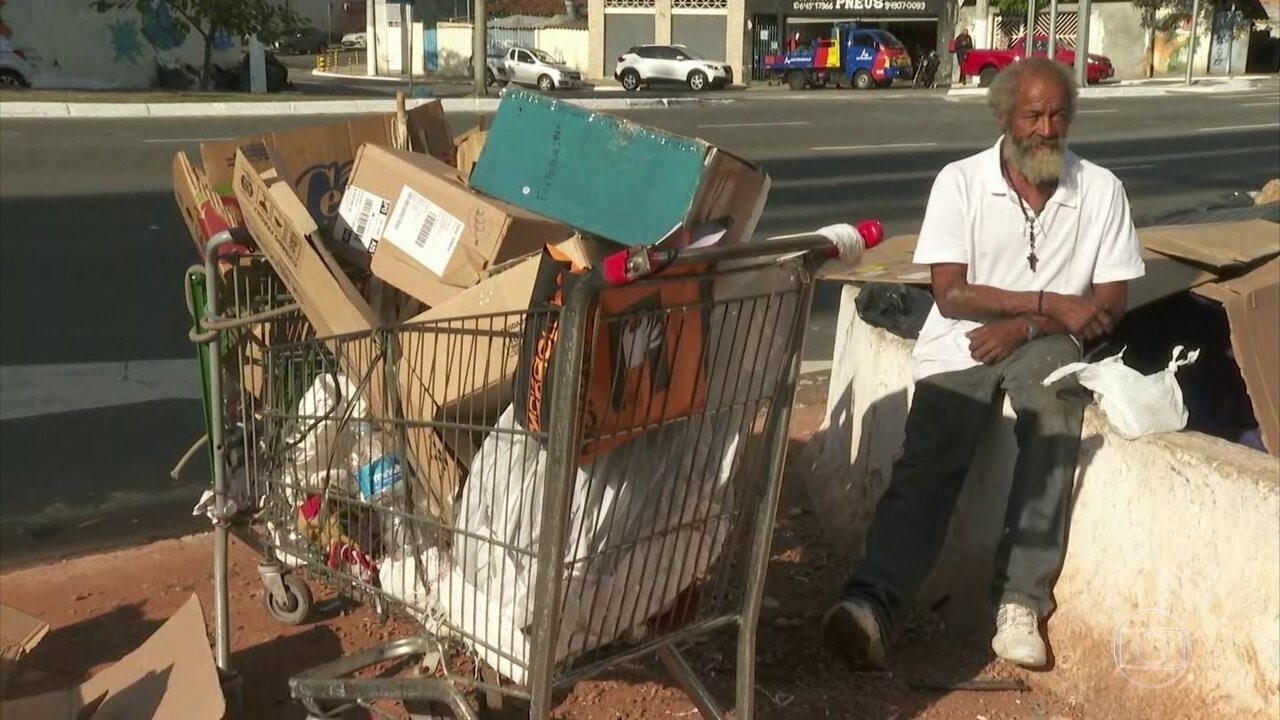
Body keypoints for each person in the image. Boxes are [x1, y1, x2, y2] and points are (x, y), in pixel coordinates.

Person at [822, 57, 1145, 670]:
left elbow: (1109, 302)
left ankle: (1021, 601)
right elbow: (951, 293)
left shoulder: (1100, 190)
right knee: (936, 442)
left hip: (1045, 340)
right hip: (962, 339)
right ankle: (872, 605)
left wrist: (1027, 324)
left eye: (1058, 114)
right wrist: (1047, 301)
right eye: (1033, 115)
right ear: (1004, 116)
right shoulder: (961, 183)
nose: (1047, 129)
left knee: (1054, 414)